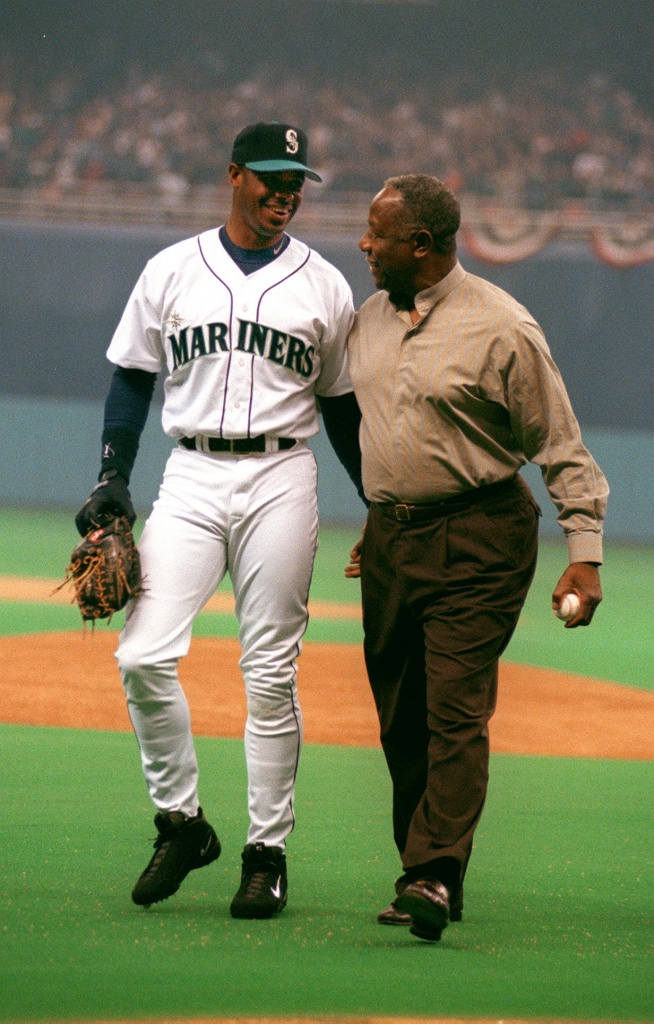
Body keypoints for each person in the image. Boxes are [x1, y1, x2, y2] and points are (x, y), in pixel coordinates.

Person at [75, 122, 363, 919]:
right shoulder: (172, 268)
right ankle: (182, 823)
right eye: (271, 177)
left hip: (280, 474)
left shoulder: (325, 285)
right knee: (141, 654)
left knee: (270, 674)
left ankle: (266, 854)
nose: (285, 193)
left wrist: (377, 502)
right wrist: (111, 477)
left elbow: (340, 409)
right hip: (192, 474)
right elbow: (132, 378)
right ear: (233, 175)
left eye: (296, 180)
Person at [345, 173, 608, 942]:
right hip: (394, 538)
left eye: (376, 232)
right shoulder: (368, 321)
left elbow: (561, 446)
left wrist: (584, 553)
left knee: (454, 708)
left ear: (420, 244)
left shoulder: (503, 328)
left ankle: (432, 873)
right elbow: (388, 432)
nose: (363, 244)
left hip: (481, 535)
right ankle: (424, 867)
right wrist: (383, 511)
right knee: (401, 717)